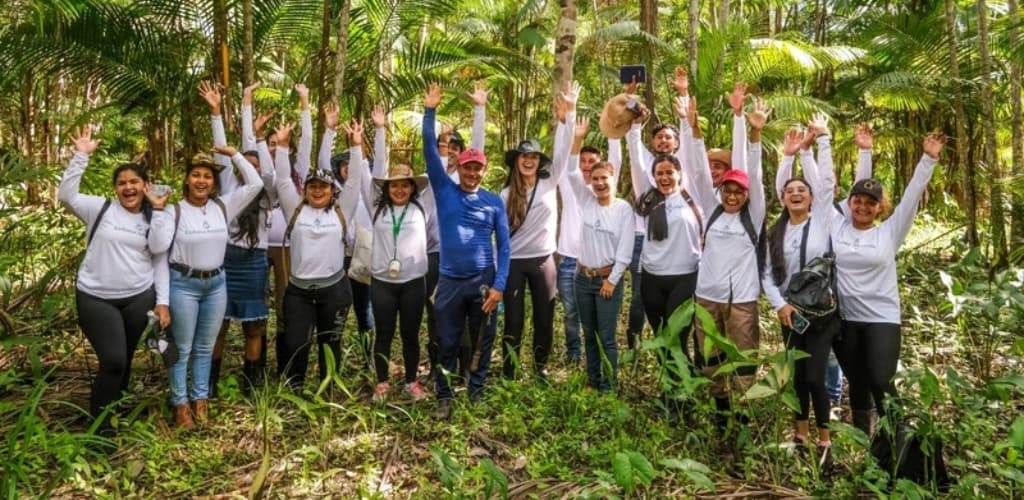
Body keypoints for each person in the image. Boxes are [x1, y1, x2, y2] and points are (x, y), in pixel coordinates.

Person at [829, 132, 946, 434]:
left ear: (880, 207)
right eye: (858, 201)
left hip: (881, 317)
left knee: (881, 379)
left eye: (871, 202)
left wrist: (928, 159)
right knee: (856, 380)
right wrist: (864, 152)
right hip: (845, 318)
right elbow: (822, 188)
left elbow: (910, 199)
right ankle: (863, 439)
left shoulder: (889, 232)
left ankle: (898, 436)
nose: (863, 206)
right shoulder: (836, 226)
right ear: (849, 203)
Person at [58, 127, 172, 434]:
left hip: (137, 297)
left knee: (124, 359)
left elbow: (160, 253)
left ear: (146, 185)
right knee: (113, 360)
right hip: (96, 296)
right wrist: (81, 155)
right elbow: (66, 196)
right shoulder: (101, 208)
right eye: (122, 183)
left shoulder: (157, 215)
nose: (128, 187)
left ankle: (113, 409)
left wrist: (162, 302)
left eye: (134, 182)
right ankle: (100, 429)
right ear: (115, 189)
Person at [422, 83, 510, 419]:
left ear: (484, 170)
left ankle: (476, 392)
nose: (472, 173)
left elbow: (504, 245)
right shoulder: (444, 189)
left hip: (483, 281)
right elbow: (430, 151)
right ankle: (444, 395)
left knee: (483, 339)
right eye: (467, 167)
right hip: (449, 281)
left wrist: (500, 284)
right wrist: (429, 112)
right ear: (458, 168)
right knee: (446, 339)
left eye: (478, 168)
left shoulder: (492, 202)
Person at [685, 83, 768, 429]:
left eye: (739, 192)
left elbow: (754, 171)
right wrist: (692, 128)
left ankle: (745, 415)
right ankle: (720, 414)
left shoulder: (755, 213)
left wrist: (748, 126)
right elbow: (699, 169)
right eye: (728, 190)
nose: (732, 196)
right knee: (711, 357)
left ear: (746, 195)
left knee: (745, 358)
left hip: (743, 299)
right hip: (708, 296)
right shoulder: (712, 208)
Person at [775, 122, 875, 410]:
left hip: (843, 294)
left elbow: (837, 186)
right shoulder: (815, 214)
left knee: (838, 355)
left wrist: (825, 141)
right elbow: (796, 189)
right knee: (815, 358)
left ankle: (837, 399)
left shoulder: (838, 212)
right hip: (807, 299)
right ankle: (821, 404)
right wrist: (802, 152)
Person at [167, 144, 263, 428]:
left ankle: (200, 399)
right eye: (195, 175)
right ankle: (180, 403)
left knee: (205, 346)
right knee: (182, 347)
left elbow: (255, 183)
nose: (201, 181)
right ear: (186, 179)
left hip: (216, 284)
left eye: (207, 176)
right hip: (183, 283)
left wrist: (235, 154)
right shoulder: (174, 210)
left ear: (214, 183)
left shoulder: (223, 205)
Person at [762, 119, 841, 453]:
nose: (796, 194)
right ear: (783, 199)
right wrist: (780, 305)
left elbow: (825, 183)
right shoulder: (775, 233)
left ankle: (824, 439)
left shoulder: (823, 221)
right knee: (796, 377)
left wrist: (822, 141)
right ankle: (800, 435)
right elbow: (767, 274)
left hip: (822, 314)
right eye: (789, 191)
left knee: (814, 376)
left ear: (811, 198)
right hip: (791, 314)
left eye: (801, 190)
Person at [273, 111, 364, 390]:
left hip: (334, 290)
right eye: (312, 186)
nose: (317, 191)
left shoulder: (341, 210)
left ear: (331, 190)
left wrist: (356, 146)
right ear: (306, 189)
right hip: (299, 291)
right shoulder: (295, 208)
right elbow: (284, 181)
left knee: (330, 342)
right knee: (296, 341)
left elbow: (354, 181)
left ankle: (329, 387)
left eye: (323, 186)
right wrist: (282, 146)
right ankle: (294, 388)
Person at [499, 82, 579, 381]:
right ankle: (510, 370)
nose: (529, 160)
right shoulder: (505, 194)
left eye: (533, 157)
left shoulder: (549, 182)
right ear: (517, 162)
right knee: (514, 321)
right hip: (515, 263)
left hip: (544, 260)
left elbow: (563, 147)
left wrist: (567, 114)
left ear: (539, 162)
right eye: (524, 157)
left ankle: (540, 367)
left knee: (545, 318)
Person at [201, 81, 275, 394]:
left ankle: (252, 381)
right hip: (226, 257)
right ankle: (211, 381)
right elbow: (224, 159)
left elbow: (264, 171)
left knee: (253, 324)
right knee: (219, 323)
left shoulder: (267, 195)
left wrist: (252, 137)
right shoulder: (231, 190)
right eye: (246, 164)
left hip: (255, 260)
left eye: (255, 164)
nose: (250, 168)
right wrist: (217, 113)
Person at [365, 105, 432, 402]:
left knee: (409, 334)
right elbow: (377, 169)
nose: (400, 190)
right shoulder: (376, 208)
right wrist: (380, 130)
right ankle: (381, 383)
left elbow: (434, 162)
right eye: (395, 186)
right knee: (383, 334)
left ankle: (410, 381)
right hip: (381, 281)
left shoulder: (422, 208)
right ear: (388, 188)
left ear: (412, 188)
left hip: (414, 282)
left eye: (405, 185)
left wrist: (430, 116)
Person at [562, 117, 634, 391]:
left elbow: (625, 252)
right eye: (595, 179)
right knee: (588, 333)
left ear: (613, 177)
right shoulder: (587, 200)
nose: (600, 183)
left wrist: (612, 280)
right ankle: (593, 380)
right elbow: (570, 173)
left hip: (607, 282)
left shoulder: (623, 209)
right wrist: (577, 138)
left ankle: (609, 384)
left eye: (604, 178)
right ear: (590, 182)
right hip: (583, 279)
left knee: (607, 336)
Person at [622, 67, 689, 350]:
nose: (663, 141)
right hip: (645, 240)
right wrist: (629, 101)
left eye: (668, 138)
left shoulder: (686, 168)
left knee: (679, 313)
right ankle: (635, 343)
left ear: (676, 144)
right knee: (639, 297)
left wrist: (684, 94)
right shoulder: (647, 169)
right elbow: (633, 145)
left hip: (681, 250)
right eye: (659, 137)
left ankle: (678, 354)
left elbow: (692, 144)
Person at [426, 83, 487, 379]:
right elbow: (431, 153)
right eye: (446, 147)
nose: (450, 152)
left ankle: (467, 370)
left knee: (471, 321)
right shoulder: (436, 181)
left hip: (469, 265)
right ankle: (440, 371)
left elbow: (478, 148)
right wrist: (430, 111)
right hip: (437, 258)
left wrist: (479, 109)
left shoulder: (470, 180)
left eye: (455, 148)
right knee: (440, 319)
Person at [556, 103, 622, 364]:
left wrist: (615, 126)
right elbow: (564, 159)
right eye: (582, 161)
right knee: (571, 313)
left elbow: (615, 161)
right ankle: (574, 355)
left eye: (591, 162)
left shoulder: (602, 194)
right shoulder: (568, 183)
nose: (585, 166)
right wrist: (568, 127)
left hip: (597, 266)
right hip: (568, 260)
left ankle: (599, 359)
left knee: (597, 318)